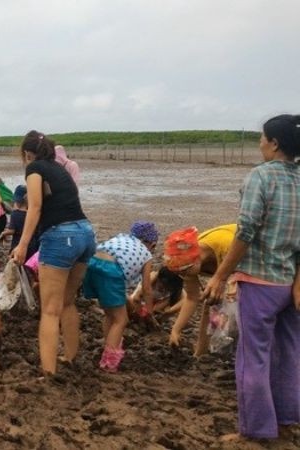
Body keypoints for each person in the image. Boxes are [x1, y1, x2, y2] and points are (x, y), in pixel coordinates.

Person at [201, 114, 300, 441]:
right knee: (288, 354)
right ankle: (286, 420)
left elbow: (245, 230)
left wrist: (220, 274)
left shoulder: (261, 176)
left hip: (259, 282)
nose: (259, 143)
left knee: (253, 357)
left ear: (273, 144)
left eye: (262, 138)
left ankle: (255, 431)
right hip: (291, 284)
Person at [11, 130, 96, 376]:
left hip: (61, 236)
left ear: (28, 154)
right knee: (68, 302)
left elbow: (35, 206)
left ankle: (48, 372)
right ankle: (70, 357)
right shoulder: (60, 168)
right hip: (85, 233)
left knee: (49, 310)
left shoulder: (34, 168)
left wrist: (23, 244)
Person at [82, 221, 158, 373]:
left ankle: (108, 345)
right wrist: (149, 310)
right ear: (153, 244)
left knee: (110, 315)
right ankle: (109, 362)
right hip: (111, 271)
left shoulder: (121, 238)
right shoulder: (147, 255)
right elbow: (147, 288)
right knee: (121, 320)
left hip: (91, 265)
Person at [165, 223, 237, 356]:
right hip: (225, 268)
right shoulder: (185, 262)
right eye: (180, 273)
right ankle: (200, 355)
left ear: (196, 260)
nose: (184, 275)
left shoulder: (225, 244)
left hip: (252, 258)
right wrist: (176, 329)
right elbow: (192, 297)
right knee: (210, 302)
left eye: (185, 271)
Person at [0, 185, 37, 261]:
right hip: (33, 245)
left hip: (17, 245)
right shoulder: (33, 214)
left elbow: (12, 230)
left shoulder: (15, 214)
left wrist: (4, 233)